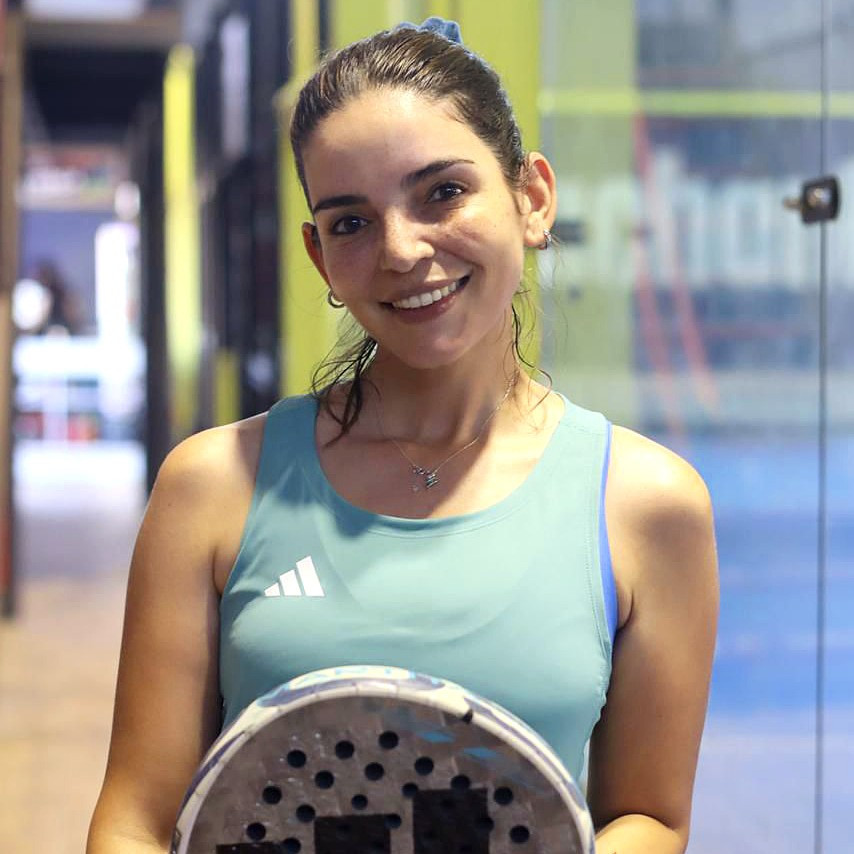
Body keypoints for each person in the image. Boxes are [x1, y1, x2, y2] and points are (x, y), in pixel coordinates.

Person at [87, 18, 718, 854]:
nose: (401, 249)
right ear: (321, 258)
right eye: (350, 223)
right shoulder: (213, 485)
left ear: (531, 199)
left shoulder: (646, 504)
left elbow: (652, 816)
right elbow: (136, 817)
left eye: (443, 193)